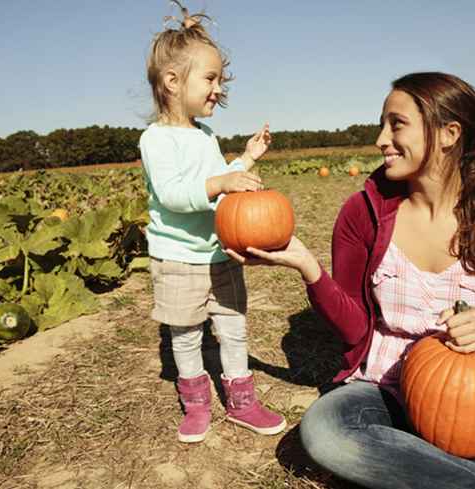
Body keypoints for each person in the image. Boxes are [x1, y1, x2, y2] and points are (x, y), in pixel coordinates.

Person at [227, 72, 475, 488]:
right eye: (382, 124)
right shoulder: (362, 214)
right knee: (328, 433)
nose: (381, 139)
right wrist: (309, 268)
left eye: (396, 124)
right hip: (384, 390)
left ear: (449, 133)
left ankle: (426, 467)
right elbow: (356, 329)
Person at [139, 1, 286, 444]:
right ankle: (196, 403)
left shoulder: (205, 136)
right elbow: (176, 194)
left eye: (220, 79)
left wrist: (245, 159)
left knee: (233, 324)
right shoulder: (156, 140)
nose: (218, 88)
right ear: (171, 82)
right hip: (178, 258)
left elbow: (216, 182)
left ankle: (242, 401)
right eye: (210, 78)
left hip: (219, 251)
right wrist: (223, 180)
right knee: (184, 333)